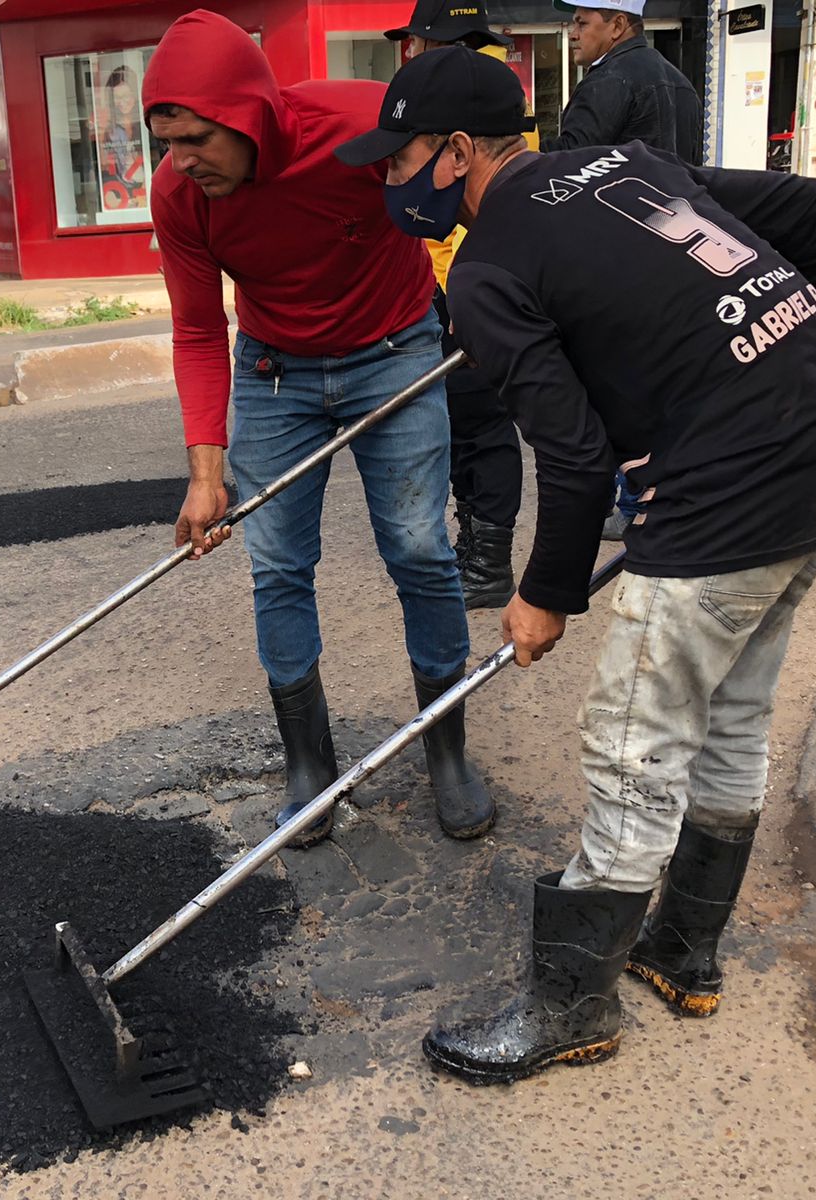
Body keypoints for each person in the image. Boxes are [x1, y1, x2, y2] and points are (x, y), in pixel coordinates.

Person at [338, 48, 816, 1084]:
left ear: (456, 154)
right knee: (730, 711)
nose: (387, 183)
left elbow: (576, 455)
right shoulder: (620, 165)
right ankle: (681, 951)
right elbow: (811, 207)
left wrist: (542, 596)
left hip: (730, 483)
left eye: (397, 159)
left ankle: (567, 1008)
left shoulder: (491, 270)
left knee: (635, 739)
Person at [145, 10, 495, 846]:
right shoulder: (179, 195)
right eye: (166, 139)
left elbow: (470, 185)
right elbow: (197, 330)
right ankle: (310, 760)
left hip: (395, 348)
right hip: (274, 371)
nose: (181, 160)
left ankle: (446, 748)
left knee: (418, 548)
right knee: (277, 564)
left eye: (196, 137)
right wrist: (205, 471)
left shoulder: (363, 123)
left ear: (249, 114)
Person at [386, 0, 529, 609]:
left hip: (475, 286)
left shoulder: (470, 109)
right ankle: (479, 547)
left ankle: (489, 561)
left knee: (483, 425)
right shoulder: (487, 95)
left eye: (417, 41)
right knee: (470, 427)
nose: (411, 52)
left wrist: (465, 299)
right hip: (458, 284)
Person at [551, 0, 704, 540]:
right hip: (677, 243)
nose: (572, 31)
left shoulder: (608, 81)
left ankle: (634, 497)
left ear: (618, 25)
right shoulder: (677, 80)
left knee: (612, 381)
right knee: (667, 375)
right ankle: (658, 491)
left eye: (582, 22)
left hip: (617, 252)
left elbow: (573, 172)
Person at [100, 65, 148, 210]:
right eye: (117, 97)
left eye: (126, 95)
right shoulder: (110, 131)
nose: (122, 102)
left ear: (135, 93)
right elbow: (108, 168)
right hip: (123, 198)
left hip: (148, 194)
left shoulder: (147, 125)